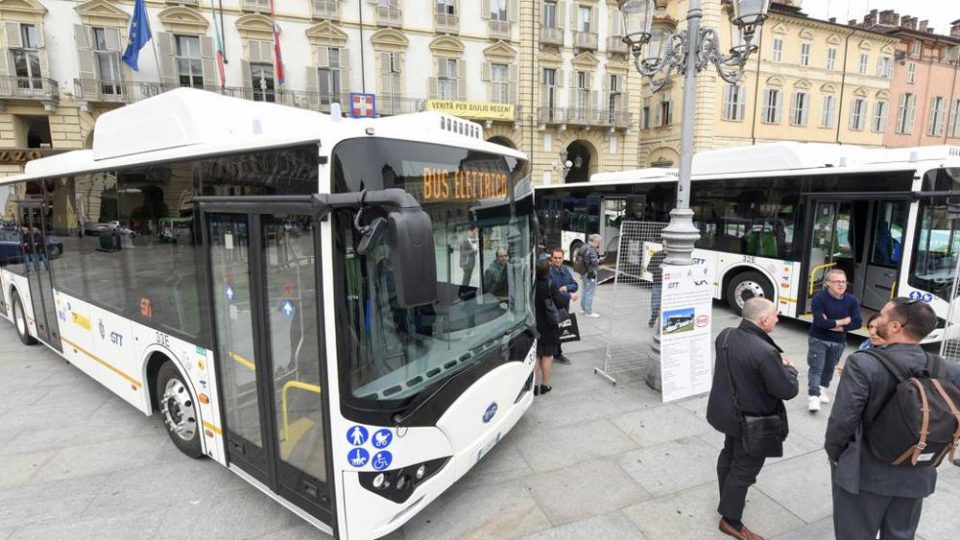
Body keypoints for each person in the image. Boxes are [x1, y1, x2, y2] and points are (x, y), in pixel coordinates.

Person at [825, 298, 960, 540]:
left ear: (896, 326)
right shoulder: (947, 368)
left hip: (865, 474)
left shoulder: (863, 363)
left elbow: (842, 421)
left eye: (883, 315)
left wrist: (836, 457)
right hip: (917, 471)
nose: (878, 319)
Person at [707, 298, 799, 540]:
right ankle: (731, 521)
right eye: (775, 315)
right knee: (744, 469)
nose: (778, 319)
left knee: (729, 454)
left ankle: (728, 498)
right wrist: (790, 369)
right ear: (764, 320)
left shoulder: (726, 335)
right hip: (755, 421)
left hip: (728, 413)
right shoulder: (765, 352)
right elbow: (786, 390)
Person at [806, 268, 862, 412]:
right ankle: (813, 396)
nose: (841, 284)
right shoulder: (819, 299)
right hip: (818, 339)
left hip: (838, 341)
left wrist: (834, 325)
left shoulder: (852, 300)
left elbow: (857, 323)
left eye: (844, 281)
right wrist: (844, 321)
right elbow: (821, 323)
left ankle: (822, 389)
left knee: (830, 368)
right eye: (837, 281)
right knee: (816, 368)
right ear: (827, 283)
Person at [534, 260, 564, 395]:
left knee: (536, 356)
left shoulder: (531, 285)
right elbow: (560, 302)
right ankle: (545, 385)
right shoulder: (550, 285)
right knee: (546, 356)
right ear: (548, 271)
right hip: (549, 325)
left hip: (534, 324)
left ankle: (533, 386)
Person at [548, 247, 578, 365]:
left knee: (561, 329)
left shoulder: (565, 269)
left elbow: (575, 285)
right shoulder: (548, 271)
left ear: (563, 258)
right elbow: (552, 292)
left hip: (564, 306)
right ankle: (550, 352)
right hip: (552, 306)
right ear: (551, 258)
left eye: (560, 258)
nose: (558, 260)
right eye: (555, 258)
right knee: (552, 330)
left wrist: (566, 288)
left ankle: (557, 353)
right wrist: (569, 295)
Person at [578, 234, 601, 317]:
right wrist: (599, 259)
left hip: (583, 271)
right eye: (598, 242)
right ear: (595, 241)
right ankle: (589, 312)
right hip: (591, 272)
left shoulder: (584, 246)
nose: (599, 244)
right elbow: (594, 262)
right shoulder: (591, 249)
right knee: (590, 291)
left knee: (584, 290)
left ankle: (583, 308)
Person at [647, 246, 668, 328]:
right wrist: (661, 272)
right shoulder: (657, 255)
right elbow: (649, 267)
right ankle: (653, 317)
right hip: (658, 283)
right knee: (655, 304)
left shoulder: (674, 256)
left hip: (669, 285)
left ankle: (665, 323)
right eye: (664, 246)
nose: (666, 247)